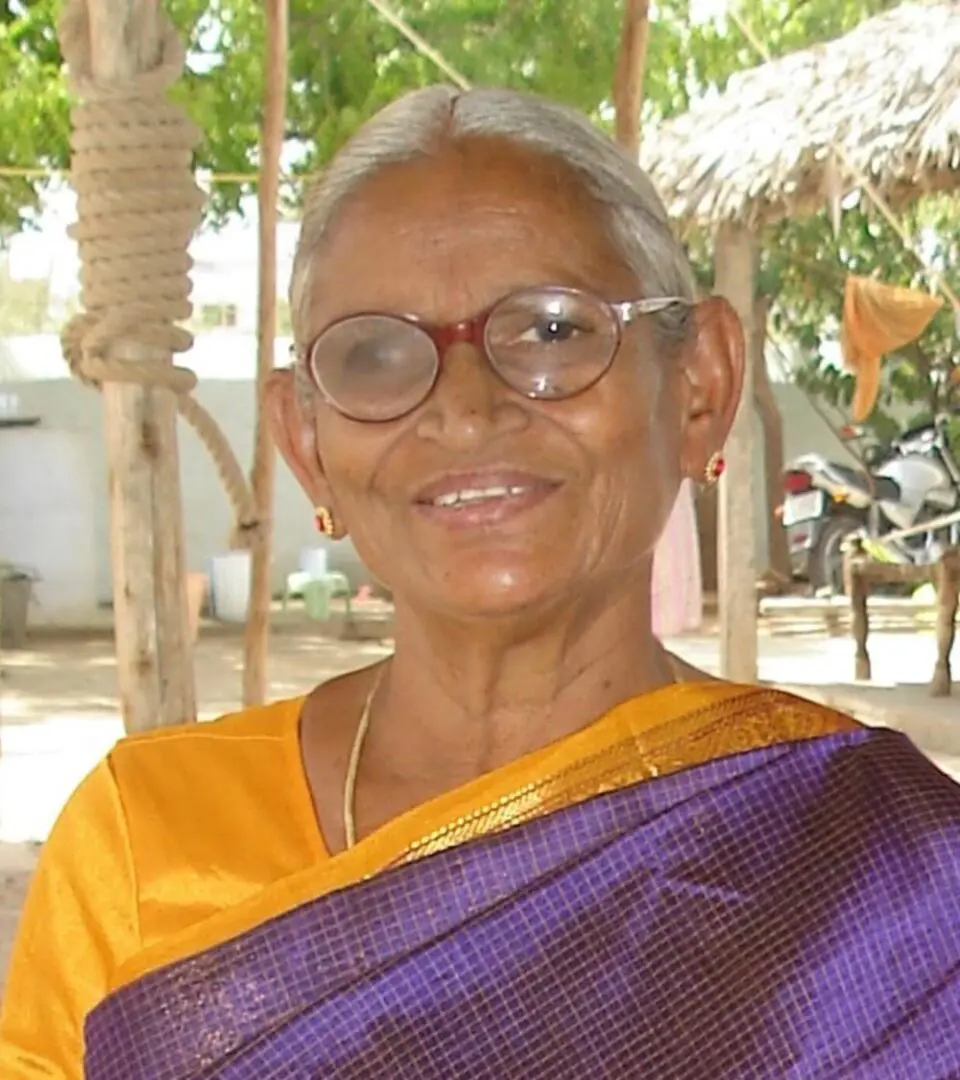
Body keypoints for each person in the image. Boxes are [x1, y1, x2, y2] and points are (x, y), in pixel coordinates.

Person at [3, 85, 960, 1079]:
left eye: (551, 332)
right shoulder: (151, 837)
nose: (463, 409)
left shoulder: (879, 871)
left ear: (702, 387)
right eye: (374, 353)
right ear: (306, 442)